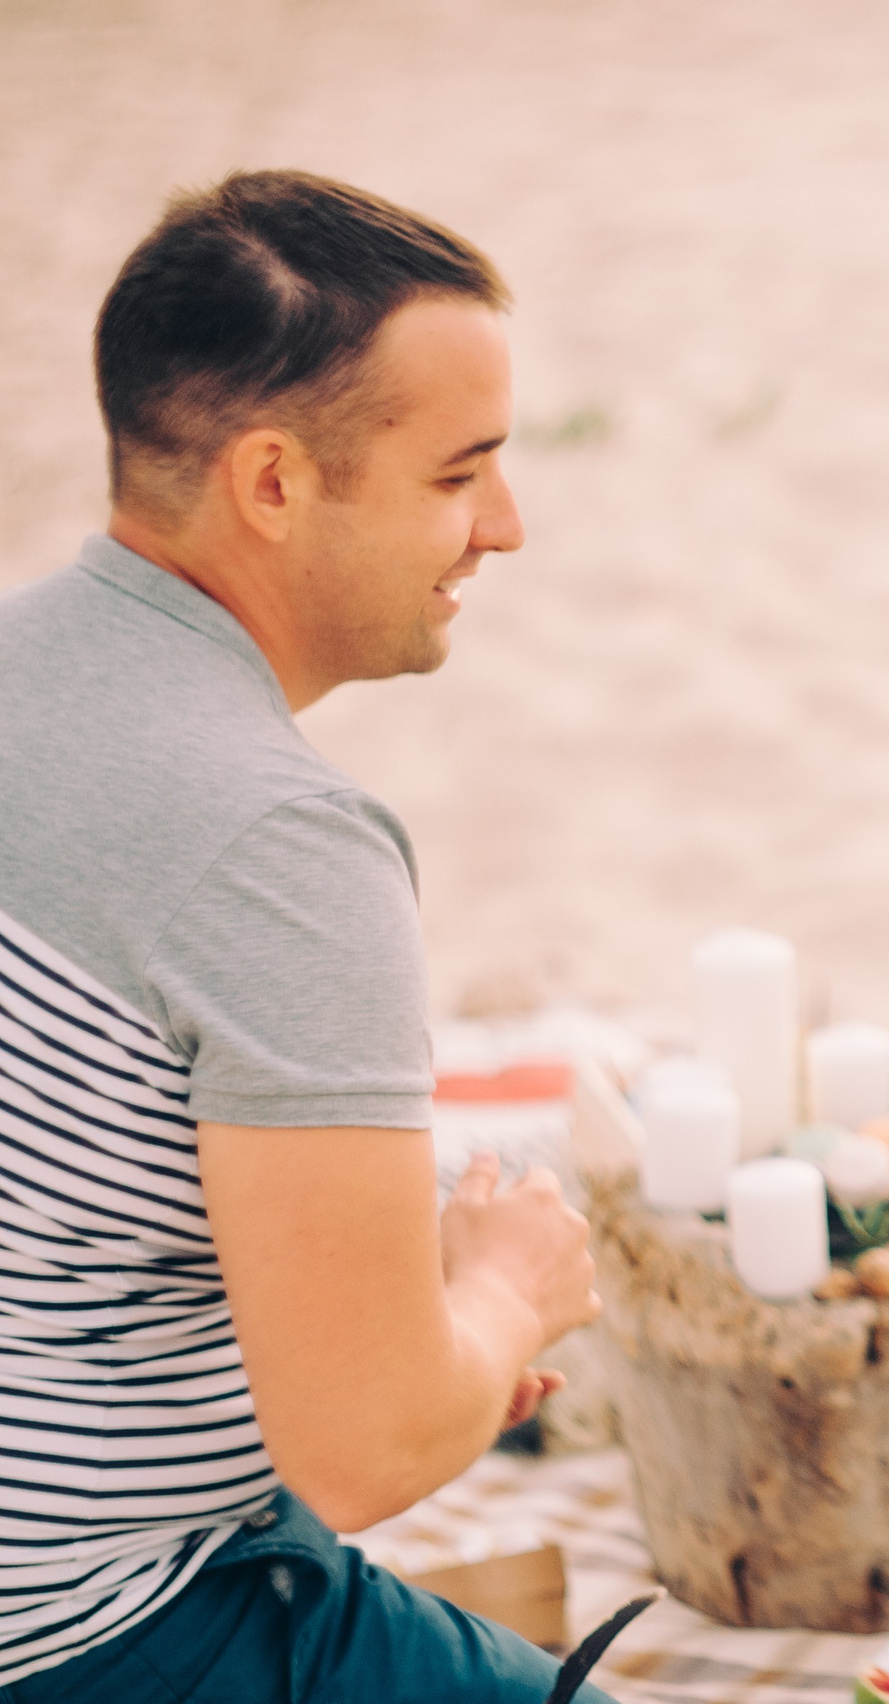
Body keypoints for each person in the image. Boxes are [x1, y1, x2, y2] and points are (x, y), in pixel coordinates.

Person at [0, 171, 611, 1701]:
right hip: (90, 1628)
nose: (507, 528)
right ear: (273, 484)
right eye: (460, 474)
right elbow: (364, 1449)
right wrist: (502, 1295)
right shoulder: (274, 844)